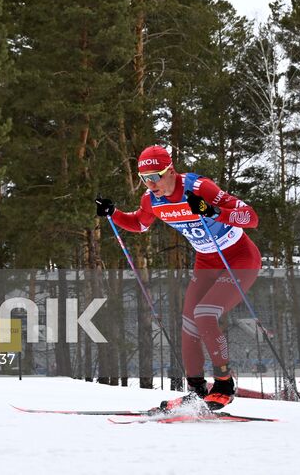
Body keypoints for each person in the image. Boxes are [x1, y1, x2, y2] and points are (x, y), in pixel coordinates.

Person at [95, 144, 260, 411]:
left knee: (205, 313)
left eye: (155, 176)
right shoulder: (152, 200)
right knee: (189, 320)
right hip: (207, 259)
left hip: (239, 258)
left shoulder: (199, 188)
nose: (150, 184)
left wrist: (213, 211)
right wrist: (113, 214)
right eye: (144, 179)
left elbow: (251, 217)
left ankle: (224, 384)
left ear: (170, 170)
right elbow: (139, 223)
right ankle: (196, 390)